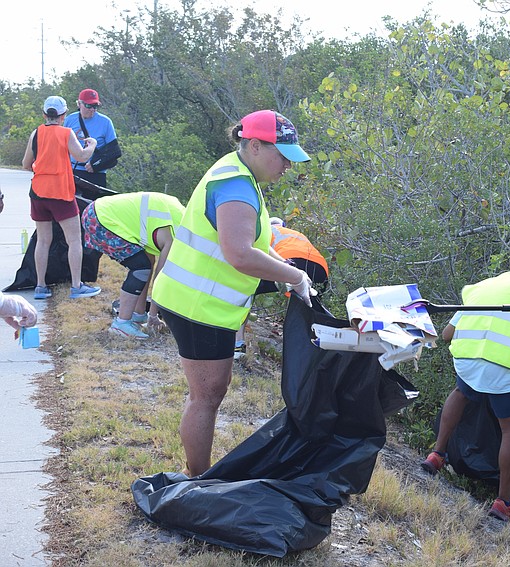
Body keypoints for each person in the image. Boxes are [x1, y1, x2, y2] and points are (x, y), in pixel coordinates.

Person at [151, 110, 315, 477]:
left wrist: (291, 276)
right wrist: (295, 276)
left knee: (211, 392)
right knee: (206, 397)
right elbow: (239, 254)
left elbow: (256, 242)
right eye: (283, 155)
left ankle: (198, 479)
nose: (288, 164)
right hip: (197, 307)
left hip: (204, 305)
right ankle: (197, 482)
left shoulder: (240, 175)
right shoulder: (235, 186)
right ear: (255, 145)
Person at [420, 271, 510, 528]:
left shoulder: (480, 285)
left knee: (461, 392)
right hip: (502, 367)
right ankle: (503, 502)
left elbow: (447, 334)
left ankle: (437, 455)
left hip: (466, 360)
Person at [21, 95, 101, 300]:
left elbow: (25, 164)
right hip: (61, 193)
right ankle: (76, 286)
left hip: (38, 192)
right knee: (74, 239)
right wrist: (91, 144)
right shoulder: (66, 133)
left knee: (43, 240)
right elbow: (82, 156)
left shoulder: (36, 133)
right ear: (64, 115)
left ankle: (40, 287)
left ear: (44, 114)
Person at [81, 192, 185, 339]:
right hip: (101, 219)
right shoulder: (177, 236)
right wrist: (153, 315)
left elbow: (151, 260)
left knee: (146, 264)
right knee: (140, 267)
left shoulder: (179, 216)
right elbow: (161, 278)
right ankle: (121, 324)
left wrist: (144, 314)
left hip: (96, 211)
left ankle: (137, 314)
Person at [234, 216, 329, 357]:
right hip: (320, 268)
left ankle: (238, 345)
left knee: (245, 290)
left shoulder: (264, 231)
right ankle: (317, 350)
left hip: (288, 262)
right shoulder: (295, 234)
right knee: (312, 309)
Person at [62, 89, 119, 188]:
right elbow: (63, 147)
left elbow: (114, 152)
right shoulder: (70, 120)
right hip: (73, 172)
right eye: (88, 106)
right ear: (79, 104)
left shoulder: (105, 122)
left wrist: (96, 165)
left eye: (95, 106)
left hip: (96, 174)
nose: (92, 109)